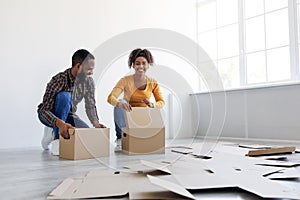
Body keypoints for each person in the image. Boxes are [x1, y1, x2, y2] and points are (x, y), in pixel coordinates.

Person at [37, 49, 106, 155]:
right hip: (51, 114)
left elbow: (90, 105)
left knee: (85, 135)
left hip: (69, 115)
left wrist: (96, 123)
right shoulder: (58, 80)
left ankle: (52, 130)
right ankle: (56, 137)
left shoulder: (89, 82)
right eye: (89, 69)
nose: (91, 73)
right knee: (65, 96)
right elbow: (44, 110)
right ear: (78, 66)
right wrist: (59, 124)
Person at [107, 48, 164, 151]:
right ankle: (122, 138)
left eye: (143, 63)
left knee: (158, 110)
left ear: (148, 65)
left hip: (142, 118)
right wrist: (120, 104)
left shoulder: (153, 82)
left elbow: (161, 102)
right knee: (120, 102)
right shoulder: (125, 80)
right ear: (133, 65)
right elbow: (111, 97)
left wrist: (152, 105)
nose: (140, 66)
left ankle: (143, 136)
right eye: (137, 63)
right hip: (127, 119)